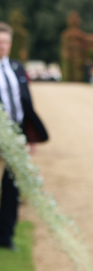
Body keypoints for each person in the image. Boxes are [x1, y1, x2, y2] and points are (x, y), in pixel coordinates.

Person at [0, 22, 48, 252]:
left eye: (5, 42)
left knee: (12, 189)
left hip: (17, 136)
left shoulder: (17, 68)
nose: (2, 46)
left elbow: (26, 103)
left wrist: (30, 137)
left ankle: (6, 236)